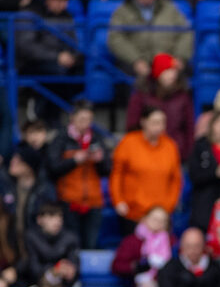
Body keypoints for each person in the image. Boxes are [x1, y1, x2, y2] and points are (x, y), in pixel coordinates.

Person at [46, 101, 110, 249]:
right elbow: (52, 168)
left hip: (93, 201)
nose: (85, 124)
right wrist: (74, 160)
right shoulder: (61, 138)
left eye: (89, 120)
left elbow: (107, 170)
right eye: (82, 119)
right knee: (71, 244)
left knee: (91, 244)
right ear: (72, 118)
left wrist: (101, 161)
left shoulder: (97, 138)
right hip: (69, 201)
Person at [15, 0, 82, 125]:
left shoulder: (66, 16)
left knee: (82, 72)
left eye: (65, 1)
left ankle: (53, 117)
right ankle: (40, 114)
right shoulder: (29, 14)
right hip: (30, 64)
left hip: (60, 63)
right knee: (56, 73)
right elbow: (26, 47)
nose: (64, 5)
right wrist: (56, 57)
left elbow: (72, 43)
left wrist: (72, 56)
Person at [110, 106, 183, 223]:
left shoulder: (170, 145)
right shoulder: (128, 142)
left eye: (162, 122)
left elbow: (175, 179)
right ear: (143, 122)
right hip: (133, 211)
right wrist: (118, 200)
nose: (159, 127)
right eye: (155, 122)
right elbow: (117, 174)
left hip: (161, 214)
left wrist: (169, 205)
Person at [126, 54, 194, 161]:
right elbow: (132, 126)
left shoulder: (182, 96)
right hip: (145, 155)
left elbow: (189, 127)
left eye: (174, 71)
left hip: (176, 154)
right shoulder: (141, 96)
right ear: (158, 72)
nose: (172, 75)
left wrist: (187, 153)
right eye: (168, 70)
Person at [107, 0, 193, 77]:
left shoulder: (170, 8)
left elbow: (186, 33)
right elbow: (116, 39)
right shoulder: (122, 11)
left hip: (169, 62)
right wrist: (136, 60)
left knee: (186, 74)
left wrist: (179, 59)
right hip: (134, 65)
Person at [110, 206, 174, 287]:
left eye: (163, 221)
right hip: (139, 282)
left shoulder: (171, 241)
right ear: (145, 219)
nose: (158, 223)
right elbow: (117, 266)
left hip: (166, 281)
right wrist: (137, 266)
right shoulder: (133, 241)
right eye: (155, 219)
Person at [22, 202, 80, 287]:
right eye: (51, 216)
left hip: (64, 285)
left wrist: (70, 270)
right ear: (39, 220)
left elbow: (74, 264)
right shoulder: (30, 237)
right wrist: (53, 270)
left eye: (60, 216)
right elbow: (32, 267)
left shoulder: (71, 238)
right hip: (36, 284)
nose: (57, 220)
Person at [1, 145, 57, 234]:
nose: (12, 161)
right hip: (11, 240)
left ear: (29, 167)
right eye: (13, 158)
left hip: (35, 241)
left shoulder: (44, 190)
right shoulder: (8, 186)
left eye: (18, 160)